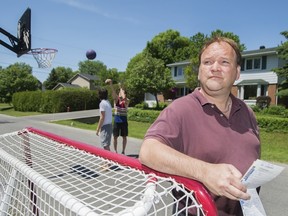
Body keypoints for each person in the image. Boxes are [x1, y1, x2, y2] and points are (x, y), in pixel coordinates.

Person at [139, 37, 261, 216]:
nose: (215, 67)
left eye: (224, 62)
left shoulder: (247, 112)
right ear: (199, 72)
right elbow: (148, 151)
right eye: (207, 62)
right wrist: (205, 172)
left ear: (237, 72)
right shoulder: (180, 109)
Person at [105, 79, 129, 154]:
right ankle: (115, 151)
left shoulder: (126, 100)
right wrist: (111, 84)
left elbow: (124, 98)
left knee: (124, 137)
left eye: (122, 93)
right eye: (120, 93)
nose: (121, 94)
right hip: (116, 121)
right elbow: (113, 92)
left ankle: (123, 151)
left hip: (124, 121)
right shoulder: (116, 100)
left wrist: (120, 87)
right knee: (115, 137)